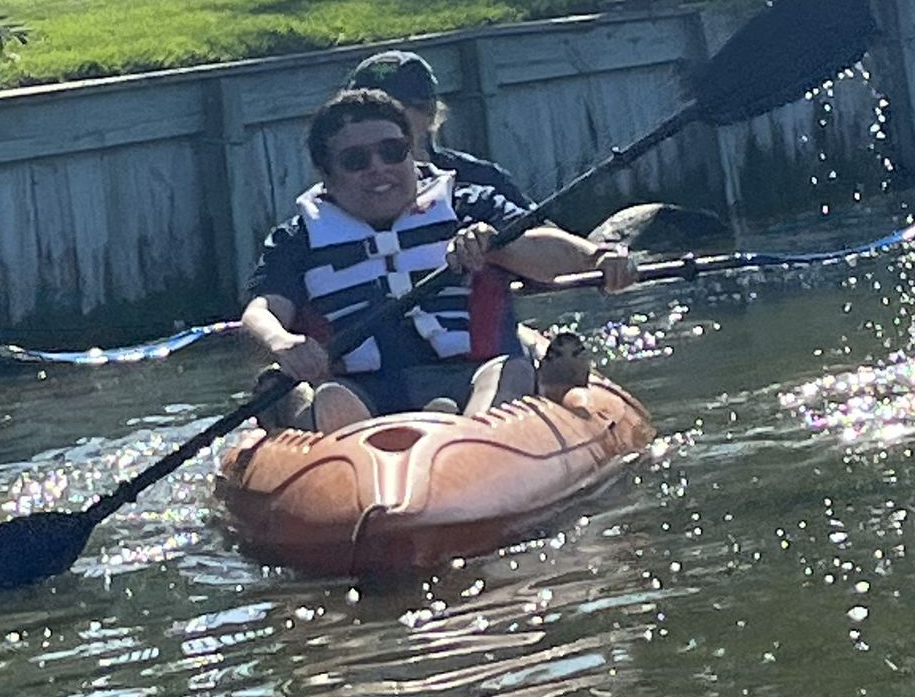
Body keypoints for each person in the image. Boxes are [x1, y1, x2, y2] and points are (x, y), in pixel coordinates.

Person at [242, 89, 635, 433]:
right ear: (327, 174)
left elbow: (549, 251)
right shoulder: (299, 238)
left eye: (392, 151)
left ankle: (471, 441)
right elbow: (261, 310)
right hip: (364, 387)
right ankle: (350, 438)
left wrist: (593, 255)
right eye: (356, 160)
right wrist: (282, 341)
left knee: (509, 370)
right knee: (332, 395)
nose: (378, 167)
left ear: (410, 152)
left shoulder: (468, 205)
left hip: (470, 375)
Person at [344, 50, 530, 206]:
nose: (371, 124)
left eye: (386, 112)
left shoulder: (482, 179)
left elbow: (547, 240)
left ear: (429, 111)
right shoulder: (341, 188)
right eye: (359, 113)